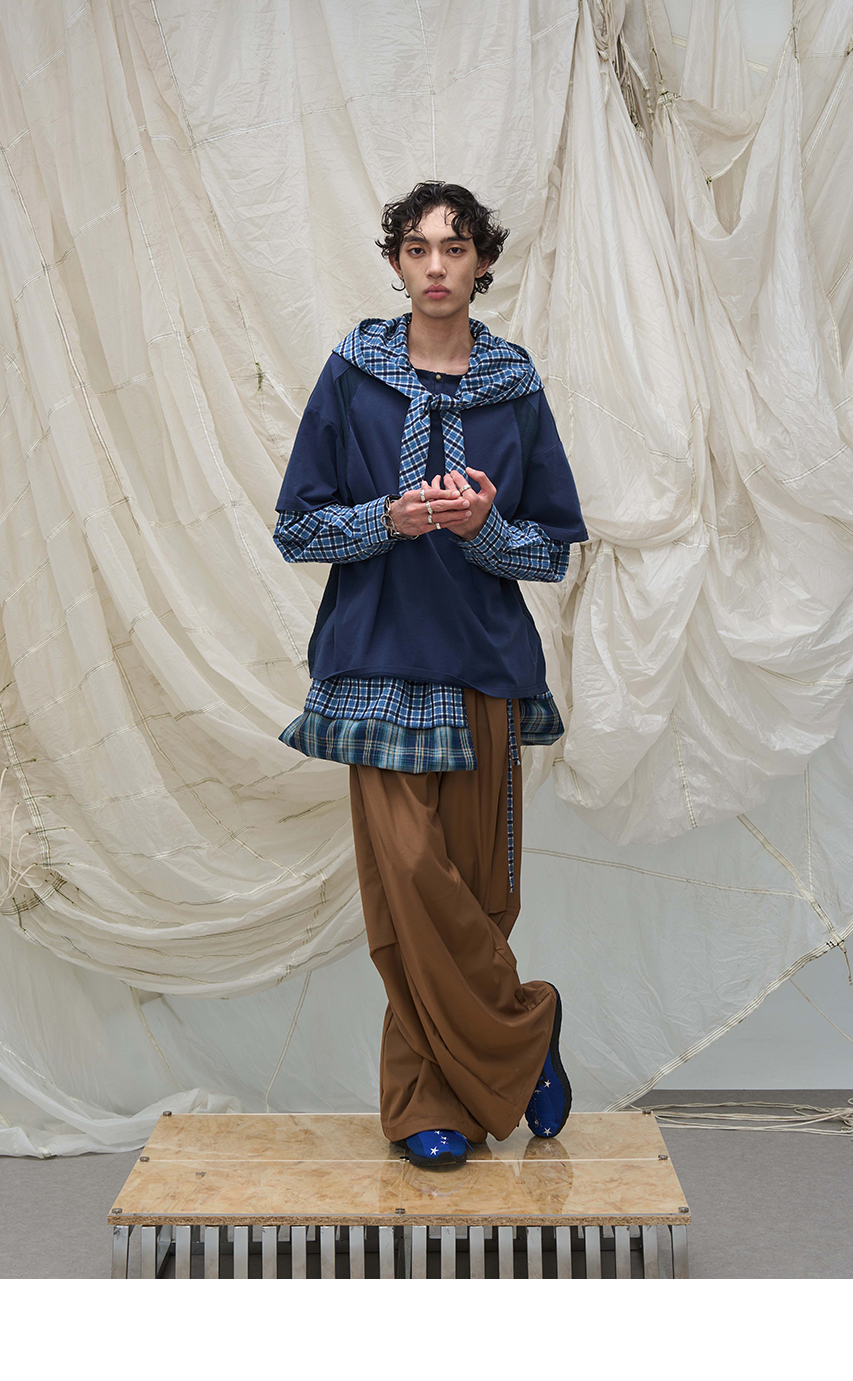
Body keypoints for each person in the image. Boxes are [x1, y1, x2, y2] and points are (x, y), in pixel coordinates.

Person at [272, 181, 588, 1170]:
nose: (437, 266)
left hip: (485, 664)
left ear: (482, 262)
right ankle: (524, 1025)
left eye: (456, 248)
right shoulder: (352, 375)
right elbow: (296, 527)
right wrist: (388, 519)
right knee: (409, 884)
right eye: (418, 248)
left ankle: (427, 1105)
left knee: (478, 894)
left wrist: (484, 527)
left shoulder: (514, 385)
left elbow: (552, 551)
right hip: (374, 660)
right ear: (396, 263)